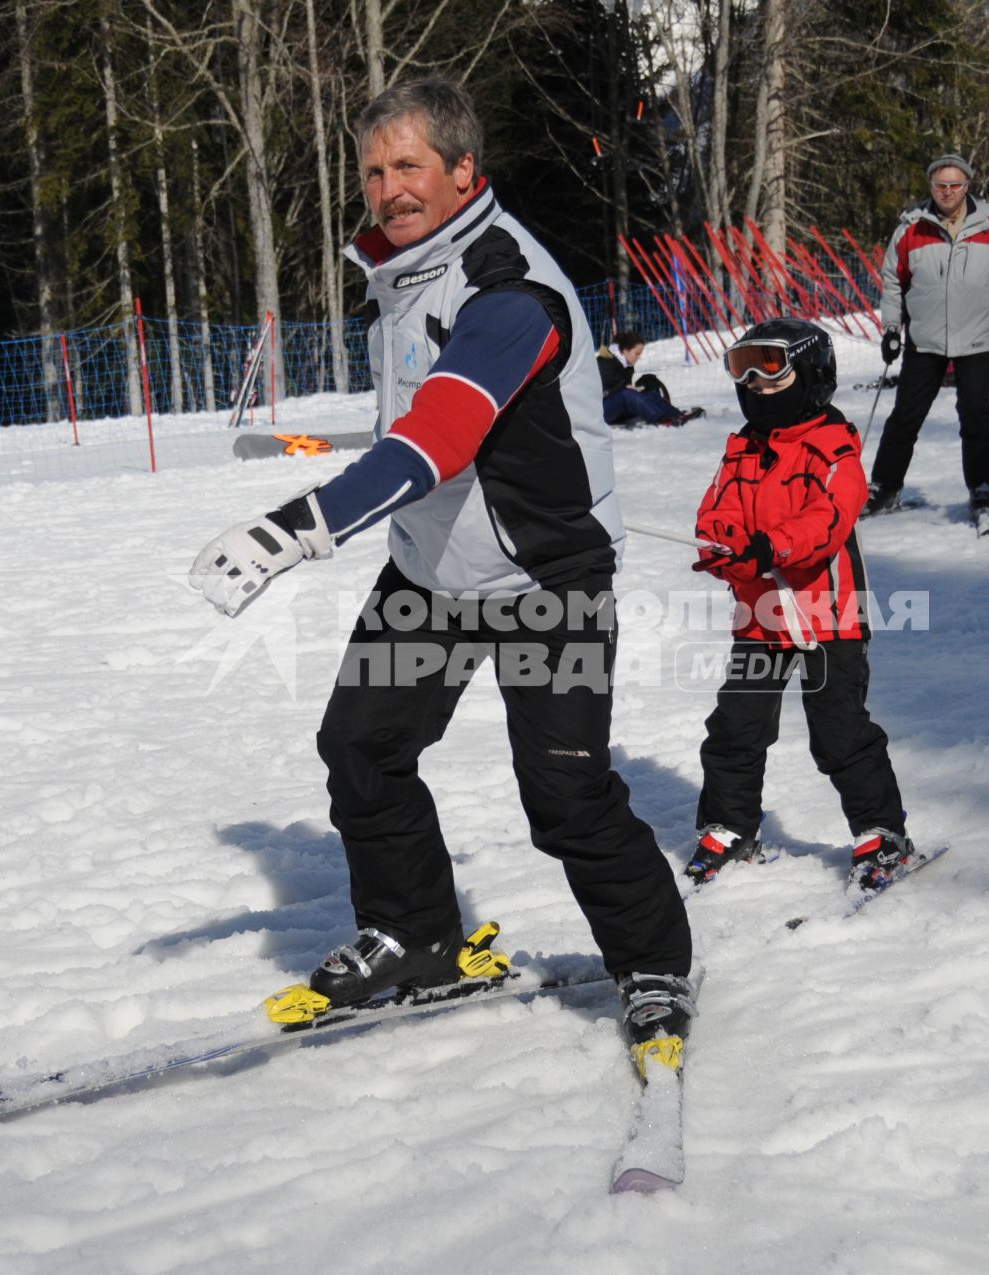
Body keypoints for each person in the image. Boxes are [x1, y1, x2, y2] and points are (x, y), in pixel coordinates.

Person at [188, 77, 694, 1074]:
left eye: (409, 165)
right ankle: (416, 936)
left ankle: (655, 963)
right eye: (374, 172)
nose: (388, 188)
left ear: (465, 170)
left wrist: (302, 524)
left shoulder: (508, 286)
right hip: (431, 575)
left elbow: (442, 435)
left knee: (567, 797)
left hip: (547, 580)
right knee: (363, 749)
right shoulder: (403, 276)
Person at [683, 316, 921, 906]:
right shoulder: (742, 447)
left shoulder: (834, 445)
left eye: (772, 373)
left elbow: (830, 517)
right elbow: (717, 512)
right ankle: (730, 826)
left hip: (828, 618)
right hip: (762, 617)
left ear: (811, 372)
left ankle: (881, 834)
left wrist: (775, 545)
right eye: (746, 374)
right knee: (737, 725)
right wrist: (728, 551)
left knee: (839, 733)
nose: (758, 385)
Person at [864, 154, 989, 528]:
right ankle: (884, 487)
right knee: (906, 415)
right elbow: (893, 281)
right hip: (925, 339)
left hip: (977, 336)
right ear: (931, 187)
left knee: (976, 414)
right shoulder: (912, 226)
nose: (947, 192)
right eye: (941, 185)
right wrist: (892, 329)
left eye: (955, 185)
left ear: (967, 186)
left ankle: (982, 486)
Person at [597, 329, 703, 426]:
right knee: (627, 394)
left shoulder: (627, 365)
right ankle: (662, 419)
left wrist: (639, 388)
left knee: (649, 393)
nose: (639, 357)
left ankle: (678, 415)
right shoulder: (604, 363)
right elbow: (605, 392)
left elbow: (624, 388)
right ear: (625, 351)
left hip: (618, 409)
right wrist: (626, 388)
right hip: (601, 412)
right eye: (637, 353)